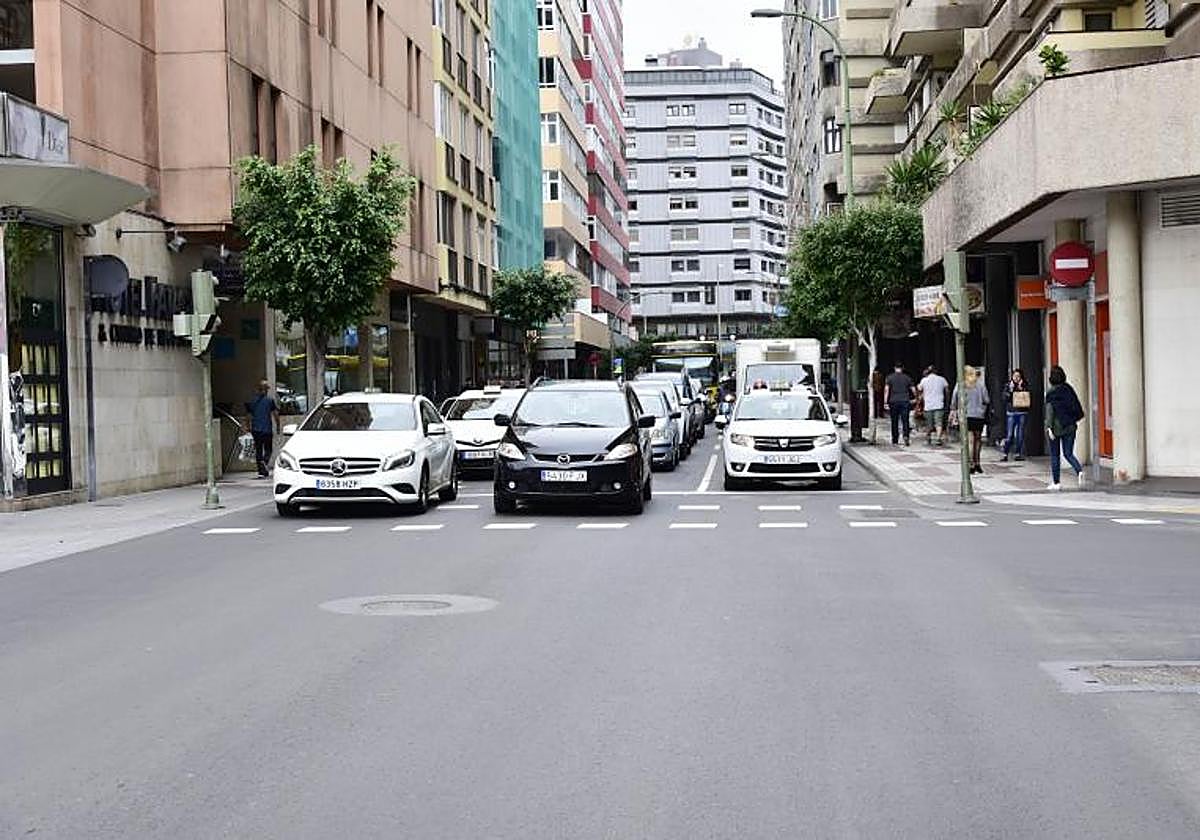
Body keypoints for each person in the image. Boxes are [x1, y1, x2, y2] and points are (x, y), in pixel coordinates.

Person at [1044, 364, 1086, 490]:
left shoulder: (1051, 393)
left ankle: (1056, 483)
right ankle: (1079, 471)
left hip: (1056, 429)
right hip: (1070, 426)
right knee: (1068, 453)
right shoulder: (1069, 389)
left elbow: (1050, 412)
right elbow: (1076, 406)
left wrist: (1049, 427)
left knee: (1055, 455)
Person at [951, 365, 990, 474]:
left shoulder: (960, 385)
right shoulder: (980, 385)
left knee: (970, 441)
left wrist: (954, 409)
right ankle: (977, 462)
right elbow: (986, 399)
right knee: (978, 440)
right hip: (979, 415)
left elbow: (954, 399)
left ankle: (971, 464)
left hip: (966, 415)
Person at [245, 379, 280, 478]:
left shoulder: (252, 401)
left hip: (256, 430)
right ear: (266, 390)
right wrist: (278, 426)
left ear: (258, 389)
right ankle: (265, 462)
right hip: (267, 430)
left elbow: (248, 416)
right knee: (268, 449)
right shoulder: (270, 401)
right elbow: (275, 415)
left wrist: (248, 427)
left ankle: (261, 472)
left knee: (258, 450)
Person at [1001, 368, 1031, 461]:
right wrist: (1010, 390)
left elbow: (1028, 397)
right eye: (1015, 376)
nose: (1016, 378)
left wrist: (1021, 388)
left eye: (1018, 376)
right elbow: (1004, 398)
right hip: (1011, 412)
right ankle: (1005, 453)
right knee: (1010, 435)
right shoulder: (1008, 385)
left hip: (1022, 412)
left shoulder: (1025, 385)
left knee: (1020, 434)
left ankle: (1018, 453)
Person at [883, 361, 916, 446]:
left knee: (894, 421)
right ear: (902, 368)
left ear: (895, 368)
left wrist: (885, 402)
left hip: (893, 401)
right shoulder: (907, 378)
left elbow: (887, 390)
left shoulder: (889, 378)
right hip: (905, 401)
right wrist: (915, 398)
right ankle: (906, 436)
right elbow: (913, 389)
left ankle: (895, 439)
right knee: (905, 420)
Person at [918, 364, 950, 446]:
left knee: (929, 423)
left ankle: (928, 437)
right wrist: (946, 400)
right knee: (938, 423)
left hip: (928, 405)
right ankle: (938, 438)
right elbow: (947, 391)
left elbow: (919, 389)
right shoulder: (942, 379)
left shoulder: (924, 380)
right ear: (936, 371)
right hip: (939, 404)